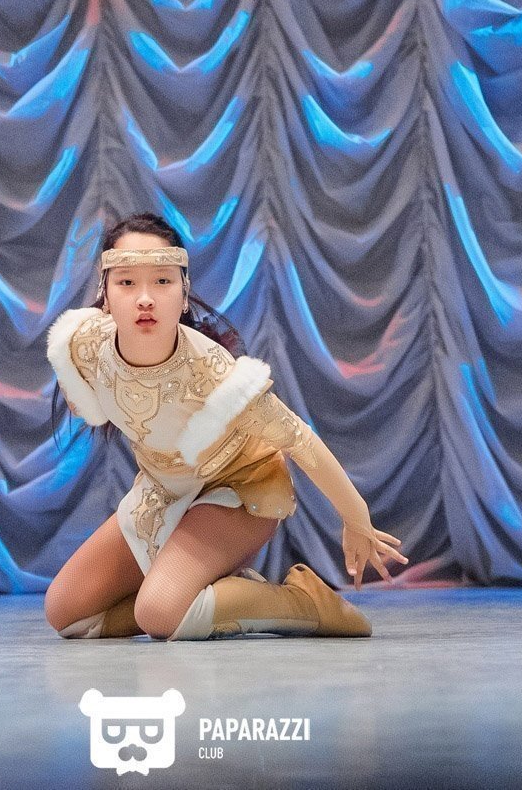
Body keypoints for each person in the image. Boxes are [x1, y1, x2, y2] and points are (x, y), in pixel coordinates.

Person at [43, 212, 409, 641]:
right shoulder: (83, 344)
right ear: (104, 293)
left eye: (162, 281)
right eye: (127, 282)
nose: (145, 299)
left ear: (184, 293)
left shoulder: (215, 374)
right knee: (66, 613)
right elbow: (85, 390)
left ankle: (303, 601)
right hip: (166, 488)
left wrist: (356, 517)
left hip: (239, 489)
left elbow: (299, 439)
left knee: (160, 615)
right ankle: (208, 593)